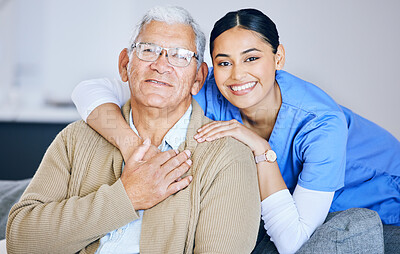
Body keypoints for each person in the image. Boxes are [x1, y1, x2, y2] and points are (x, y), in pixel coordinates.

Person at [72, 8, 400, 254]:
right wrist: (132, 147)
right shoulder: (211, 87)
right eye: (224, 62)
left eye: (252, 58)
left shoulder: (320, 124)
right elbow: (91, 90)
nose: (237, 75)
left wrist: (261, 151)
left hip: (377, 198)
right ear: (209, 68)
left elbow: (292, 241)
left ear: (278, 57)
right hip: (283, 204)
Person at [6, 6, 262, 254]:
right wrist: (126, 197)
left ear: (197, 78)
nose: (161, 65)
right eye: (148, 50)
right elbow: (21, 240)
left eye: (180, 55)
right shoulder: (76, 138)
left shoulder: (227, 156)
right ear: (124, 65)